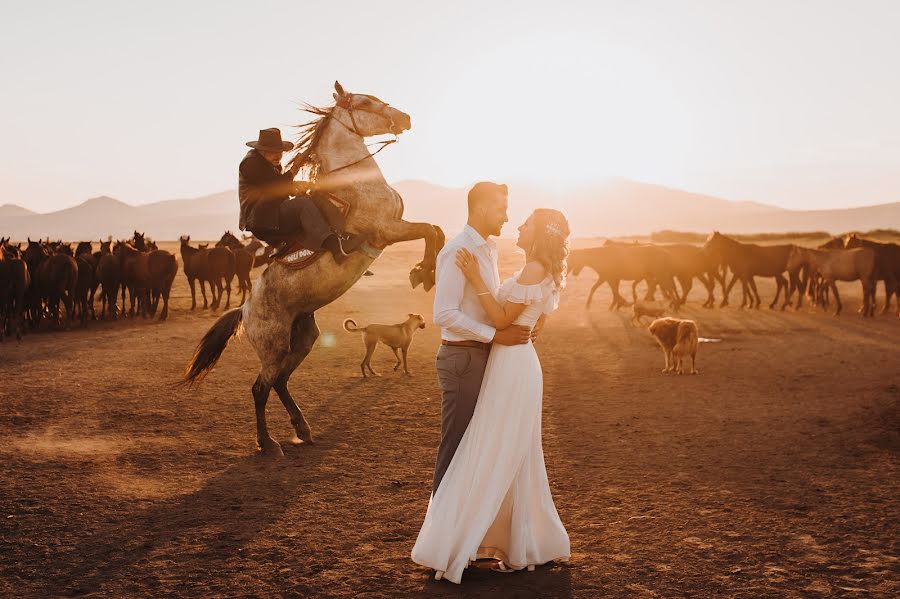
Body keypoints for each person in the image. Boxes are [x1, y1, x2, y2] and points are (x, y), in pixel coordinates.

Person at [411, 183, 571, 583]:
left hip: (503, 362)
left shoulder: (492, 252)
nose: (509, 218)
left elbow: (505, 316)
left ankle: (466, 542)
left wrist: (513, 327)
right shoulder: (459, 252)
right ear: (481, 207)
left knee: (486, 451)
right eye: (502, 209)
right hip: (471, 357)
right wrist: (499, 334)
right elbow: (444, 313)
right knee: (467, 450)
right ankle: (454, 541)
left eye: (520, 217)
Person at [238, 127, 365, 262]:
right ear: (262, 151)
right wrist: (295, 167)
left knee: (314, 198)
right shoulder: (250, 164)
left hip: (271, 215)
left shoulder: (268, 164)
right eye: (273, 152)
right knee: (303, 204)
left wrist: (298, 187)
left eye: (279, 152)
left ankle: (342, 235)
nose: (278, 156)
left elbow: (276, 191)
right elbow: (276, 185)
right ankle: (334, 246)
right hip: (262, 220)